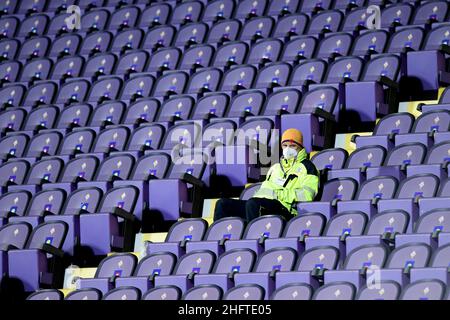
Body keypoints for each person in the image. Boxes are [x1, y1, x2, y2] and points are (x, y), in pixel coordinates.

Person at [214, 128, 319, 223]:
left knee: (253, 204)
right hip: (262, 203)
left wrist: (278, 194)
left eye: (292, 146)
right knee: (222, 204)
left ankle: (253, 239)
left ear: (300, 147)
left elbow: (307, 195)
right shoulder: (275, 167)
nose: (288, 149)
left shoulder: (308, 167)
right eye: (285, 145)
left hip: (285, 208)